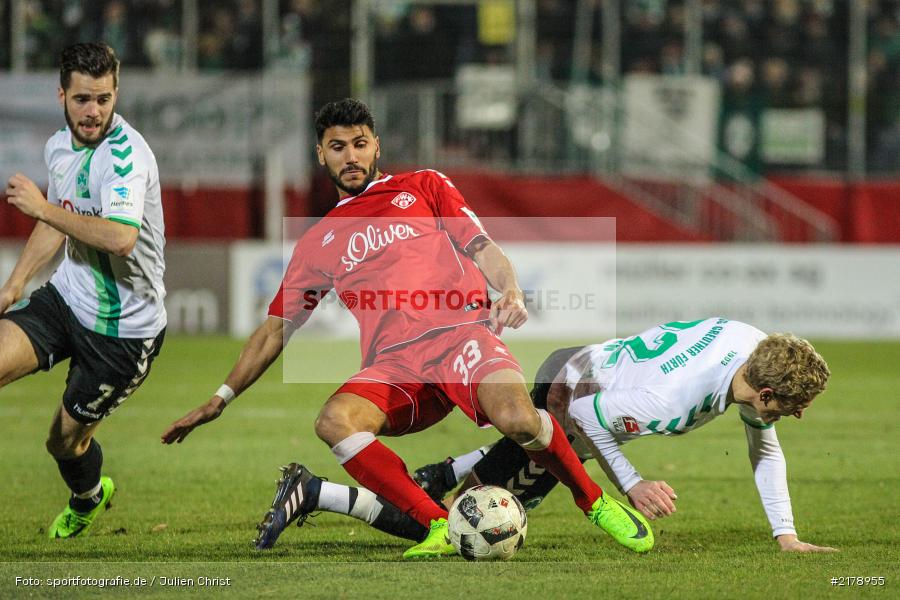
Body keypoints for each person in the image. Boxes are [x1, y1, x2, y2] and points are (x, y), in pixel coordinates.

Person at [162, 98, 652, 558]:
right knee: (334, 422)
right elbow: (275, 329)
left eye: (359, 144)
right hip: (395, 366)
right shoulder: (317, 242)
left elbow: (482, 247)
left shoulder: (422, 186)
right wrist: (219, 398)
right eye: (337, 147)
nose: (350, 156)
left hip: (462, 335)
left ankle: (594, 502)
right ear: (321, 154)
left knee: (520, 419)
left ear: (376, 145)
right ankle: (440, 524)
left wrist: (510, 290)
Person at [255, 318, 837, 553]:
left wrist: (785, 535)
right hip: (565, 399)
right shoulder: (670, 401)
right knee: (466, 526)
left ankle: (441, 473)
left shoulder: (754, 349)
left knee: (468, 488)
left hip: (583, 372)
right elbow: (587, 421)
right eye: (794, 405)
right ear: (765, 394)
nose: (798, 415)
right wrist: (630, 485)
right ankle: (315, 491)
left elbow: (764, 446)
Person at [0, 42, 166, 538]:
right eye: (82, 99)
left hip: (123, 333)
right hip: (67, 297)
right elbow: (61, 220)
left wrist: (44, 208)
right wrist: (14, 285)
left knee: (62, 443)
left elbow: (120, 237)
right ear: (61, 96)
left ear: (116, 93)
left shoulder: (125, 157)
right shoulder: (59, 147)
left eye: (103, 99)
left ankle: (89, 496)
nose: (93, 112)